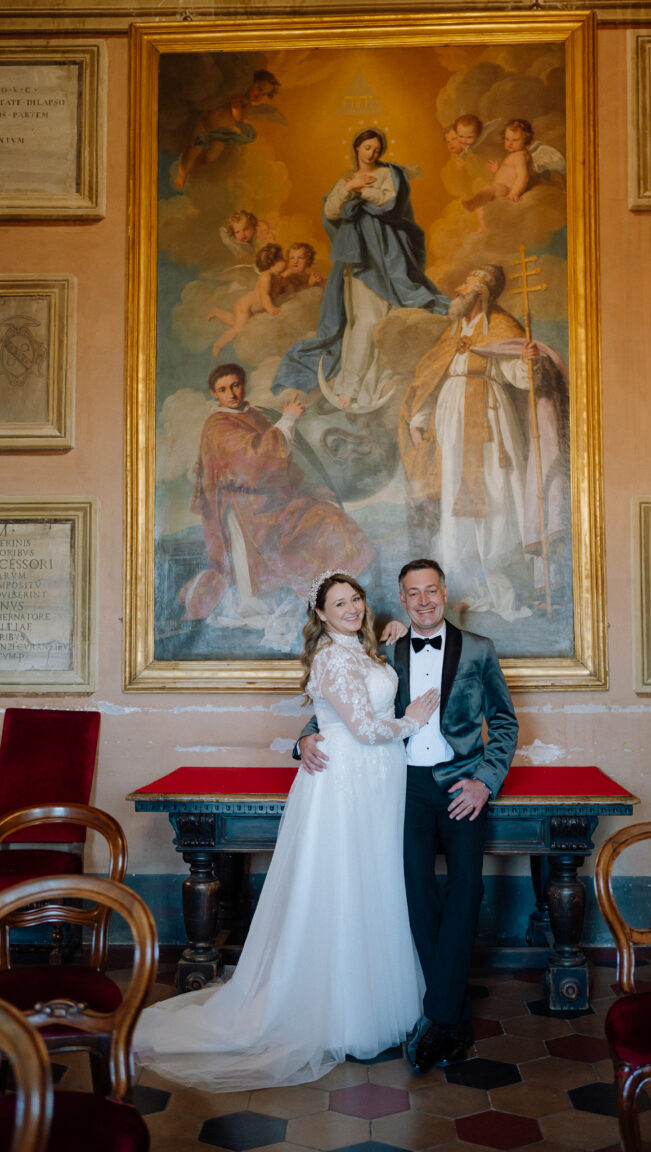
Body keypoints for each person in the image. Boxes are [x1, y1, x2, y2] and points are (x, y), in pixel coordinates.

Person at [134, 571, 440, 1090]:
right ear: (319, 613)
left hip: (380, 784)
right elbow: (364, 729)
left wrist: (386, 632)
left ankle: (375, 1002)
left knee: (376, 884)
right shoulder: (330, 657)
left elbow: (364, 701)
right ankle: (341, 1014)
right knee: (341, 885)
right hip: (345, 782)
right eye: (339, 603)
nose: (351, 608)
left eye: (356, 599)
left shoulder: (367, 648)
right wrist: (410, 720)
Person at [298, 558, 518, 1075]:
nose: (423, 601)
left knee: (467, 890)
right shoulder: (385, 650)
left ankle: (441, 1017)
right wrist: (303, 736)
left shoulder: (480, 649)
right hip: (401, 785)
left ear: (445, 592)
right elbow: (342, 701)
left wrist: (485, 781)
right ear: (401, 599)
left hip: (461, 782)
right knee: (413, 892)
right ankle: (448, 1017)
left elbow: (505, 721)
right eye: (412, 593)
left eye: (431, 591)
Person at [398, 265, 570, 621]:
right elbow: (433, 377)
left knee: (496, 491)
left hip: (491, 420)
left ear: (482, 292)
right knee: (453, 492)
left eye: (465, 284)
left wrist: (528, 364)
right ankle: (465, 586)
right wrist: (418, 418)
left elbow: (517, 377)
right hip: (449, 420)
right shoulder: (453, 331)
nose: (457, 289)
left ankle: (503, 583)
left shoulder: (503, 328)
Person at [179, 363, 376, 621]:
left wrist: (311, 491)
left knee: (332, 519)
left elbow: (279, 465)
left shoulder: (252, 415)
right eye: (223, 389)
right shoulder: (218, 425)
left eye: (235, 385)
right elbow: (255, 461)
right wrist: (288, 419)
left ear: (244, 384)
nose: (232, 394)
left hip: (273, 499)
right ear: (214, 393)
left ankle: (339, 598)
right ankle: (313, 601)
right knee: (303, 533)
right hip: (247, 509)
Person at [272, 127, 448, 410]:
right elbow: (331, 211)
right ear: (357, 148)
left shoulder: (389, 173)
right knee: (360, 321)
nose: (372, 153)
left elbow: (391, 204)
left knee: (384, 319)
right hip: (359, 258)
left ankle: (373, 383)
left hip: (388, 256)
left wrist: (362, 191)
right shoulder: (346, 179)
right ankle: (349, 386)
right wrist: (349, 188)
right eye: (367, 148)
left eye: (377, 149)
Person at [173, 69, 282, 190]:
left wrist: (235, 104)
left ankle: (197, 169)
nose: (259, 96)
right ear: (252, 81)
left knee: (211, 157)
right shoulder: (234, 90)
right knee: (192, 151)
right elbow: (214, 98)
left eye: (264, 94)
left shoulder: (247, 106)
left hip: (220, 135)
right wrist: (231, 97)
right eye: (260, 89)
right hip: (204, 124)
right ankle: (181, 176)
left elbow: (238, 117)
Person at [208, 243, 287, 356]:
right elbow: (265, 296)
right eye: (281, 259)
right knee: (238, 329)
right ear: (272, 263)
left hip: (249, 308)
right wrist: (270, 308)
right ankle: (218, 345)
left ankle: (217, 311)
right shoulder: (266, 276)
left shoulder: (277, 277)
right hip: (245, 307)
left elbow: (276, 293)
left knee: (235, 322)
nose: (285, 261)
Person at [463, 119, 535, 215]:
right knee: (482, 208)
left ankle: (472, 203)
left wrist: (514, 193)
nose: (510, 143)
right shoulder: (516, 154)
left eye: (515, 140)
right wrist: (498, 170)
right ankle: (483, 228)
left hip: (506, 189)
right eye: (507, 139)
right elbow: (510, 174)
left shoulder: (519, 156)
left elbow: (523, 177)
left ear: (526, 140)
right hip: (501, 187)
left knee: (489, 188)